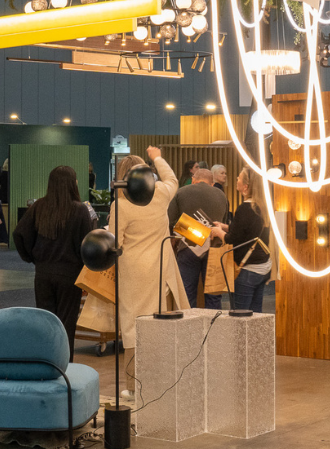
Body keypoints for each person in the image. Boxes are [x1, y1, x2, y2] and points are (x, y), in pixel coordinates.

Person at [113, 147, 188, 393]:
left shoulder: (120, 204)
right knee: (160, 324)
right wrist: (156, 157)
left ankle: (134, 389)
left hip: (134, 271)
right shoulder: (160, 194)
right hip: (162, 268)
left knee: (134, 327)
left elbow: (115, 243)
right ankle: (161, 383)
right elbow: (172, 179)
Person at [14, 165, 94, 356]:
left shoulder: (39, 206)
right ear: (72, 183)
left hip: (43, 273)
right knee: (66, 324)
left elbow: (19, 234)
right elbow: (86, 244)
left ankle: (46, 363)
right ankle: (64, 367)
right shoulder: (80, 209)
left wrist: (32, 258)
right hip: (70, 275)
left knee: (45, 322)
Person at [167, 167, 230, 309]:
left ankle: (189, 329)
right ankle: (213, 328)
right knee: (213, 295)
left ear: (193, 180)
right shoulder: (221, 195)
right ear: (212, 183)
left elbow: (170, 221)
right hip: (214, 249)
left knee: (187, 293)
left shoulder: (182, 192)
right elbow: (225, 221)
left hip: (187, 247)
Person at [213, 167, 271, 313]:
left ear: (245, 186)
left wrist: (218, 232)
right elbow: (248, 231)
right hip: (263, 266)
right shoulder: (262, 207)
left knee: (240, 316)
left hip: (249, 269)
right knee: (256, 314)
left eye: (238, 178)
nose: (236, 180)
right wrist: (226, 227)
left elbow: (233, 239)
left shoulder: (244, 208)